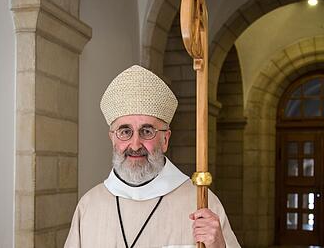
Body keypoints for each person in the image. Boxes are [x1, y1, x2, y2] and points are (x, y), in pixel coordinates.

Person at [64, 65, 240, 248]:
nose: (135, 144)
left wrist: (219, 246)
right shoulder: (89, 206)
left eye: (147, 131)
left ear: (165, 139)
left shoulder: (201, 203)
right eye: (125, 131)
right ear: (112, 139)